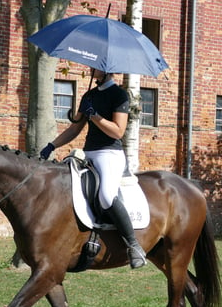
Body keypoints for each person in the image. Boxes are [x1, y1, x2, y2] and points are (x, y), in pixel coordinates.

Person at [39, 68, 147, 269]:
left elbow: (118, 131)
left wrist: (95, 116)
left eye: (95, 67)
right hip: (88, 153)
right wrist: (52, 145)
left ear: (107, 70)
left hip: (110, 155)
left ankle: (133, 245)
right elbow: (75, 128)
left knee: (106, 196)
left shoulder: (119, 95)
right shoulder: (89, 95)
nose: (91, 69)